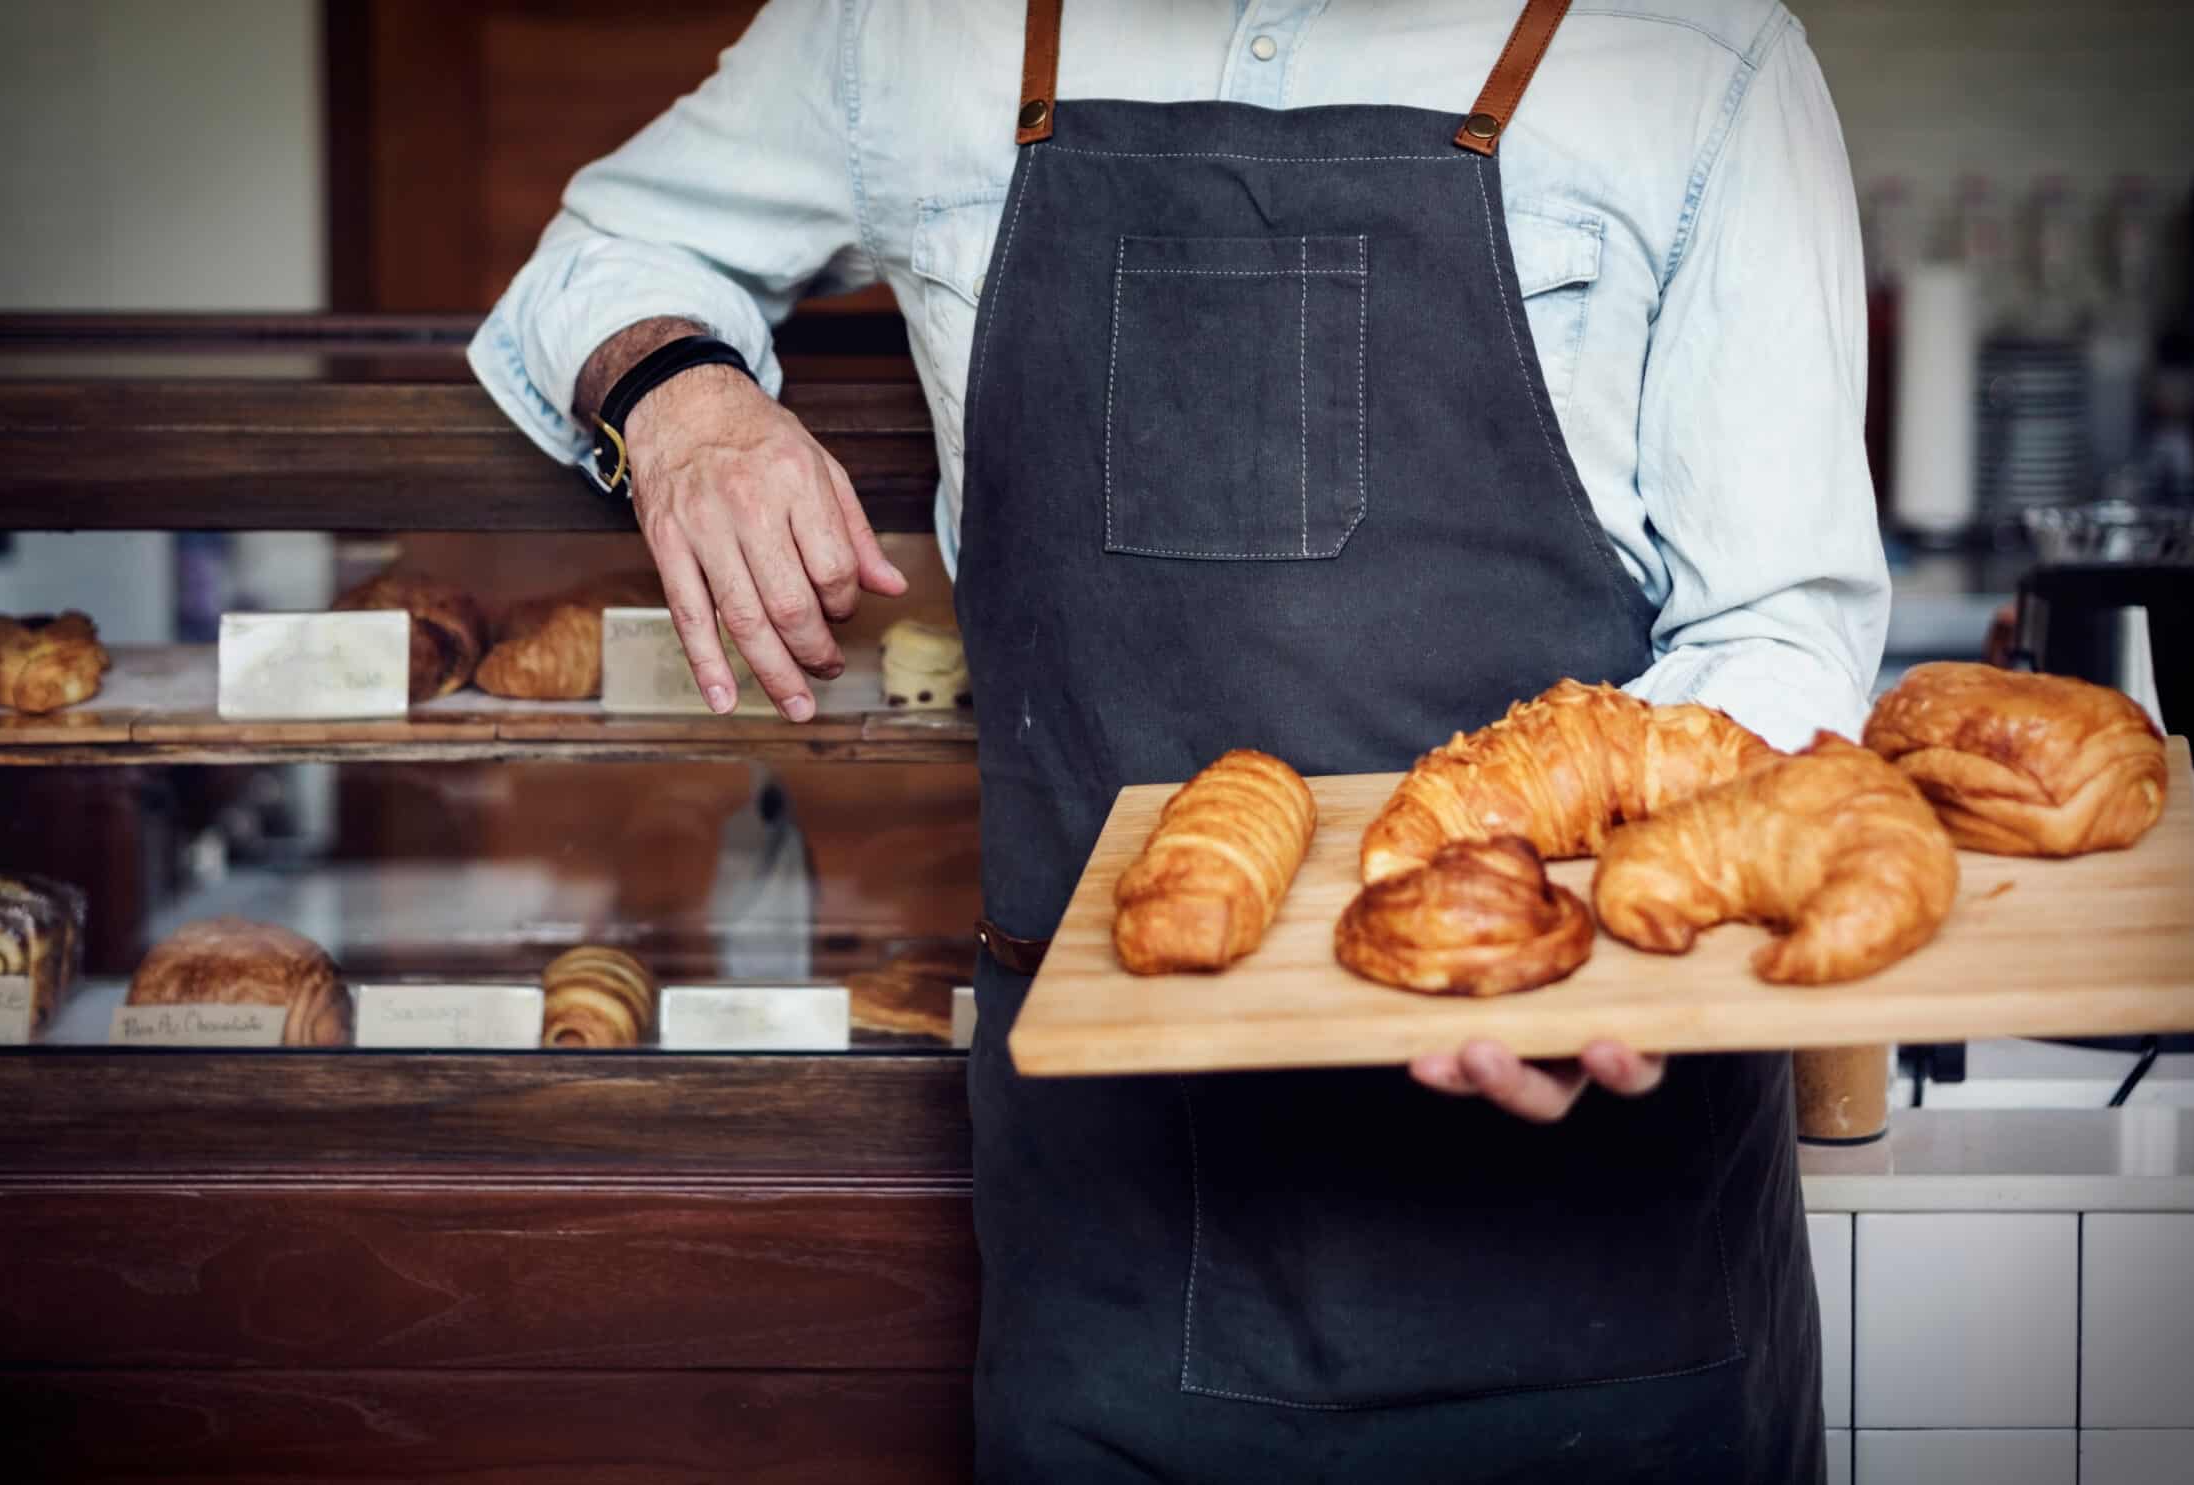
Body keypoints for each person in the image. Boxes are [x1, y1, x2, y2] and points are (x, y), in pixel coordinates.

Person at [472, 1, 1888, 1477]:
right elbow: (597, 259)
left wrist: (1584, 936)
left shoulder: (1700, 51)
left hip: (1607, 1249)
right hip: (1112, 1254)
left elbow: (1783, 632)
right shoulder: (901, 29)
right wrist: (682, 404)